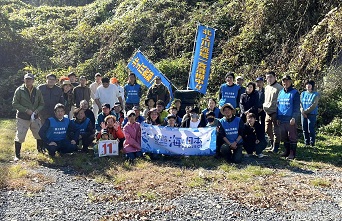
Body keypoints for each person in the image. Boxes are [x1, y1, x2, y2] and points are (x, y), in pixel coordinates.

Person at [12, 73, 45, 161]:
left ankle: (40, 152)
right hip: (22, 117)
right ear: (24, 80)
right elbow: (15, 103)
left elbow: (41, 104)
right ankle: (17, 155)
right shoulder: (19, 90)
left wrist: (37, 111)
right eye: (26, 79)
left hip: (35, 117)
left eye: (30, 79)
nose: (28, 81)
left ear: (33, 80)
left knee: (39, 134)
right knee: (20, 136)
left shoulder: (37, 90)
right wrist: (26, 110)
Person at [277, 75, 300, 159]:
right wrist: (278, 117)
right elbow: (278, 106)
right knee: (284, 136)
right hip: (281, 118)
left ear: (290, 82)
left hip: (290, 119)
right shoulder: (280, 92)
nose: (285, 83)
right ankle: (286, 151)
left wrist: (294, 117)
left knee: (292, 137)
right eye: (283, 81)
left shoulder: (295, 93)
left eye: (287, 81)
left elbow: (297, 107)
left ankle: (292, 154)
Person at [263, 71, 283, 153]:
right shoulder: (267, 87)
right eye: (267, 77)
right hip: (267, 111)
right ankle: (271, 144)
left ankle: (276, 147)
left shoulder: (279, 88)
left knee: (276, 130)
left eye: (271, 77)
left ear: (275, 77)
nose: (269, 79)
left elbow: (281, 101)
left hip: (275, 111)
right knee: (267, 129)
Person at [300, 80, 319, 147]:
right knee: (304, 128)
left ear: (312, 86)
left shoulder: (315, 94)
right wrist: (302, 111)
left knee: (311, 128)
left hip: (311, 114)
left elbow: (314, 105)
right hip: (303, 114)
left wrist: (305, 112)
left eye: (310, 84)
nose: (308, 86)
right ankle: (306, 143)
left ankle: (312, 143)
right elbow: (300, 104)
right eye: (307, 84)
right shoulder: (303, 94)